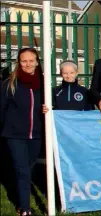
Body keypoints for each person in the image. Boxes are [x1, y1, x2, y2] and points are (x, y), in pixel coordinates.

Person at [0, 48, 44, 216]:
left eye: (31, 60)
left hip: (36, 135)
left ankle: (20, 193)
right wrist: (10, 127)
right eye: (24, 61)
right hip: (15, 135)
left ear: (37, 62)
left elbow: (50, 104)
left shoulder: (43, 82)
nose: (28, 64)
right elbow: (2, 110)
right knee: (23, 170)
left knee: (29, 167)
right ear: (19, 62)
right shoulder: (10, 83)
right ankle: (24, 208)